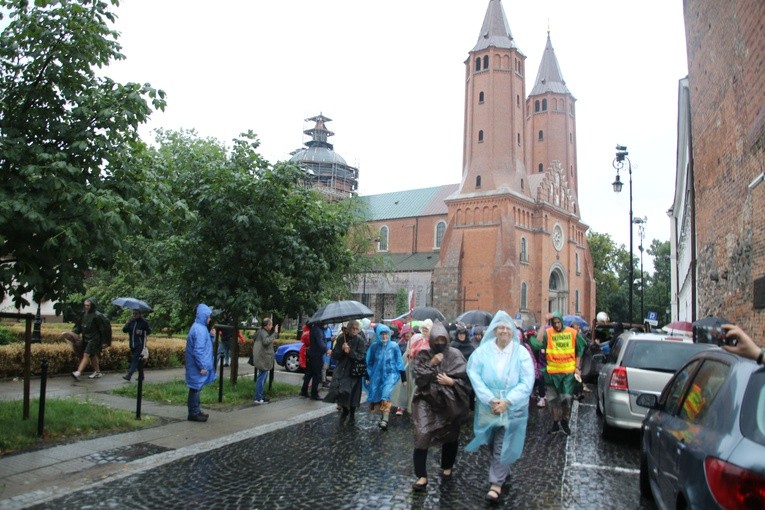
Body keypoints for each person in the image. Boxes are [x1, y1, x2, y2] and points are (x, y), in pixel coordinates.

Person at [465, 311, 535, 502]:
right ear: (495, 330)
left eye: (507, 328)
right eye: (501, 327)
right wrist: (489, 399)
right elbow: (474, 374)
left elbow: (526, 381)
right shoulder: (483, 351)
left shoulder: (521, 353)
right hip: (488, 406)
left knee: (502, 443)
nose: (504, 331)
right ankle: (503, 469)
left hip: (512, 407)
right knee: (490, 440)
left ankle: (495, 484)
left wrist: (508, 401)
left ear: (513, 331)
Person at [410, 321, 471, 491]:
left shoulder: (455, 354)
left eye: (442, 340)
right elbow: (420, 378)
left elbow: (466, 379)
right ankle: (421, 475)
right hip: (427, 400)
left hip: (449, 402)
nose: (439, 343)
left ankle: (447, 466)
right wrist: (432, 364)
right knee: (422, 433)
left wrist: (452, 382)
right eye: (436, 340)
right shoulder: (423, 354)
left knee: (451, 434)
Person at [542, 311, 584, 435]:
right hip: (552, 373)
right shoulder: (548, 333)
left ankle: (564, 420)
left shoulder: (572, 333)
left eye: (558, 322)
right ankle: (555, 423)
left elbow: (581, 347)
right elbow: (537, 342)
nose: (556, 325)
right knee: (552, 400)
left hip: (567, 374)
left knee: (566, 398)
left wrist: (577, 367)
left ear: (561, 321)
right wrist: (543, 323)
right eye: (554, 323)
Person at [364, 323, 406, 430]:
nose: (384, 336)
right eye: (382, 334)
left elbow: (399, 362)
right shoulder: (374, 347)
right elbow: (369, 362)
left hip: (391, 374)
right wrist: (368, 376)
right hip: (377, 375)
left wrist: (403, 377)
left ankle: (385, 419)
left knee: (386, 394)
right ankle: (383, 415)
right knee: (378, 396)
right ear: (378, 335)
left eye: (386, 334)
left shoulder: (394, 346)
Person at [326, 320, 367, 423]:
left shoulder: (360, 340)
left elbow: (361, 356)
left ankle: (352, 413)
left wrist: (350, 352)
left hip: (354, 371)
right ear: (348, 329)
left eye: (357, 329)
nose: (354, 330)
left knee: (353, 393)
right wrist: (340, 351)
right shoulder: (341, 338)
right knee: (342, 391)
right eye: (353, 328)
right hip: (342, 370)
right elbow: (336, 356)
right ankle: (344, 410)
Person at [185, 303, 217, 422]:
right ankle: (193, 413)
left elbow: (205, 345)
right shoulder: (199, 329)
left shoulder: (199, 327)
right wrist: (202, 366)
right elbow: (198, 350)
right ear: (204, 316)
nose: (209, 319)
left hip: (196, 365)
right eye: (208, 316)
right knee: (195, 388)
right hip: (197, 366)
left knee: (196, 388)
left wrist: (211, 336)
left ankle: (196, 411)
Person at [71, 298, 111, 381]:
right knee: (93, 355)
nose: (86, 307)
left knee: (86, 355)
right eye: (85, 305)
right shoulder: (83, 314)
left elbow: (105, 329)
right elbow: (79, 326)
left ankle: (78, 372)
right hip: (86, 338)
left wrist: (105, 342)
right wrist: (73, 334)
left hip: (94, 339)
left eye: (88, 305)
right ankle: (98, 372)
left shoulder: (98, 315)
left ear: (92, 305)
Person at [252, 318, 279, 405]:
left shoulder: (260, 331)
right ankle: (258, 398)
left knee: (262, 378)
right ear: (267, 325)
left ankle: (260, 396)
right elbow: (266, 342)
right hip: (263, 359)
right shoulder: (264, 333)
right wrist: (275, 333)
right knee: (261, 378)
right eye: (271, 324)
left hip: (261, 358)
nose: (271, 326)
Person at [300, 322, 329, 400]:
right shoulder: (318, 330)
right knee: (316, 375)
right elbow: (320, 342)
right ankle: (314, 394)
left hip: (312, 354)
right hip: (316, 355)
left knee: (309, 373)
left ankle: (304, 391)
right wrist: (327, 350)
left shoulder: (315, 328)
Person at [122, 309, 151, 382]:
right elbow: (124, 330)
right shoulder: (131, 321)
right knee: (138, 361)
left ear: (140, 314)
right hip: (132, 344)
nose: (134, 315)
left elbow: (149, 331)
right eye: (133, 313)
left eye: (136, 313)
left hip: (140, 344)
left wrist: (141, 332)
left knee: (135, 359)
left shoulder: (144, 322)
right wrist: (126, 324)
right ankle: (141, 376)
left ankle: (129, 375)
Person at [390, 324, 413, 416]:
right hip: (400, 368)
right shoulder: (399, 343)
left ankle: (410, 404)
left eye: (409, 333)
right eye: (406, 333)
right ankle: (400, 405)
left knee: (410, 386)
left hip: (411, 368)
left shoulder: (414, 342)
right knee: (400, 386)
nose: (407, 335)